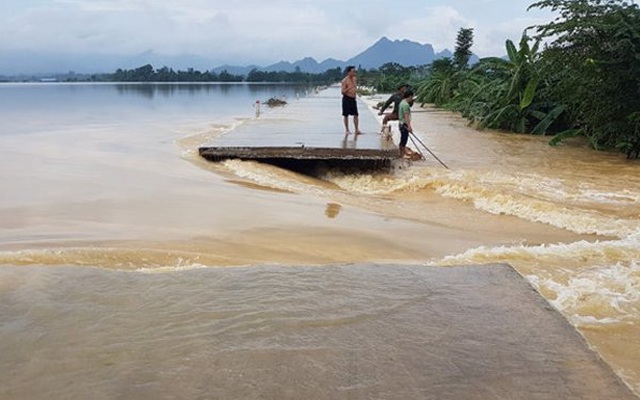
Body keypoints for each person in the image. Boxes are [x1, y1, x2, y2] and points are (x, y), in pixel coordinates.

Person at [341, 66, 362, 135]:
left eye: (354, 71)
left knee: (356, 114)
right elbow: (342, 92)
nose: (354, 73)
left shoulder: (354, 79)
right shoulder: (345, 80)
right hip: (346, 98)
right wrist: (349, 88)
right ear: (349, 72)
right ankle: (347, 130)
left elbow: (355, 88)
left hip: (353, 99)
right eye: (353, 71)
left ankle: (356, 129)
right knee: (346, 115)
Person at [398, 90, 415, 158]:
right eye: (412, 97)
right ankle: (402, 154)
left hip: (401, 124)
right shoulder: (406, 105)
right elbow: (406, 116)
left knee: (402, 139)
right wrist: (409, 127)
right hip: (404, 124)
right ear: (410, 96)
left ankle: (400, 153)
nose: (412, 99)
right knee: (404, 140)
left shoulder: (402, 102)